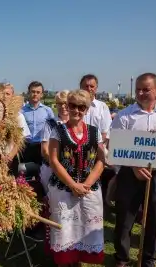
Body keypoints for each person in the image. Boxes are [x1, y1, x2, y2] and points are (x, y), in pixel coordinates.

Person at [111, 73, 156, 267]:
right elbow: (114, 146)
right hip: (130, 175)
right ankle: (122, 257)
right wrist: (134, 165)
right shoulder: (125, 116)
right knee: (125, 219)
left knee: (152, 218)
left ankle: (149, 259)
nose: (141, 93)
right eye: (138, 90)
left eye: (146, 89)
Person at [48, 89, 105, 267]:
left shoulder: (95, 133)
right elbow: (54, 161)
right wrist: (73, 185)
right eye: (73, 106)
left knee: (86, 225)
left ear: (87, 109)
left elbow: (101, 160)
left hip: (90, 189)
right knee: (65, 228)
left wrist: (86, 184)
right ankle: (66, 261)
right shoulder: (57, 131)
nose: (77, 110)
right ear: (68, 106)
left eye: (82, 107)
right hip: (63, 189)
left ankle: (79, 259)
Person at [40, 90, 70, 194]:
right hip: (51, 169)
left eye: (65, 103)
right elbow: (44, 150)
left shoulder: (76, 123)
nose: (63, 106)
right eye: (59, 103)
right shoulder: (50, 124)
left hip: (71, 170)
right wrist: (58, 167)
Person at [0, 83, 31, 175]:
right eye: (2, 93)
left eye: (7, 94)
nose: (4, 96)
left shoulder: (18, 116)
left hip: (11, 158)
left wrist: (10, 156)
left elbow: (21, 140)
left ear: (12, 96)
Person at [21, 81, 55, 165]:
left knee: (42, 174)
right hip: (26, 147)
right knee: (26, 174)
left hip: (42, 147)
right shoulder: (22, 111)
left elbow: (53, 129)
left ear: (42, 94)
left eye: (38, 92)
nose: (35, 94)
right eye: (33, 92)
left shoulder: (47, 110)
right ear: (28, 93)